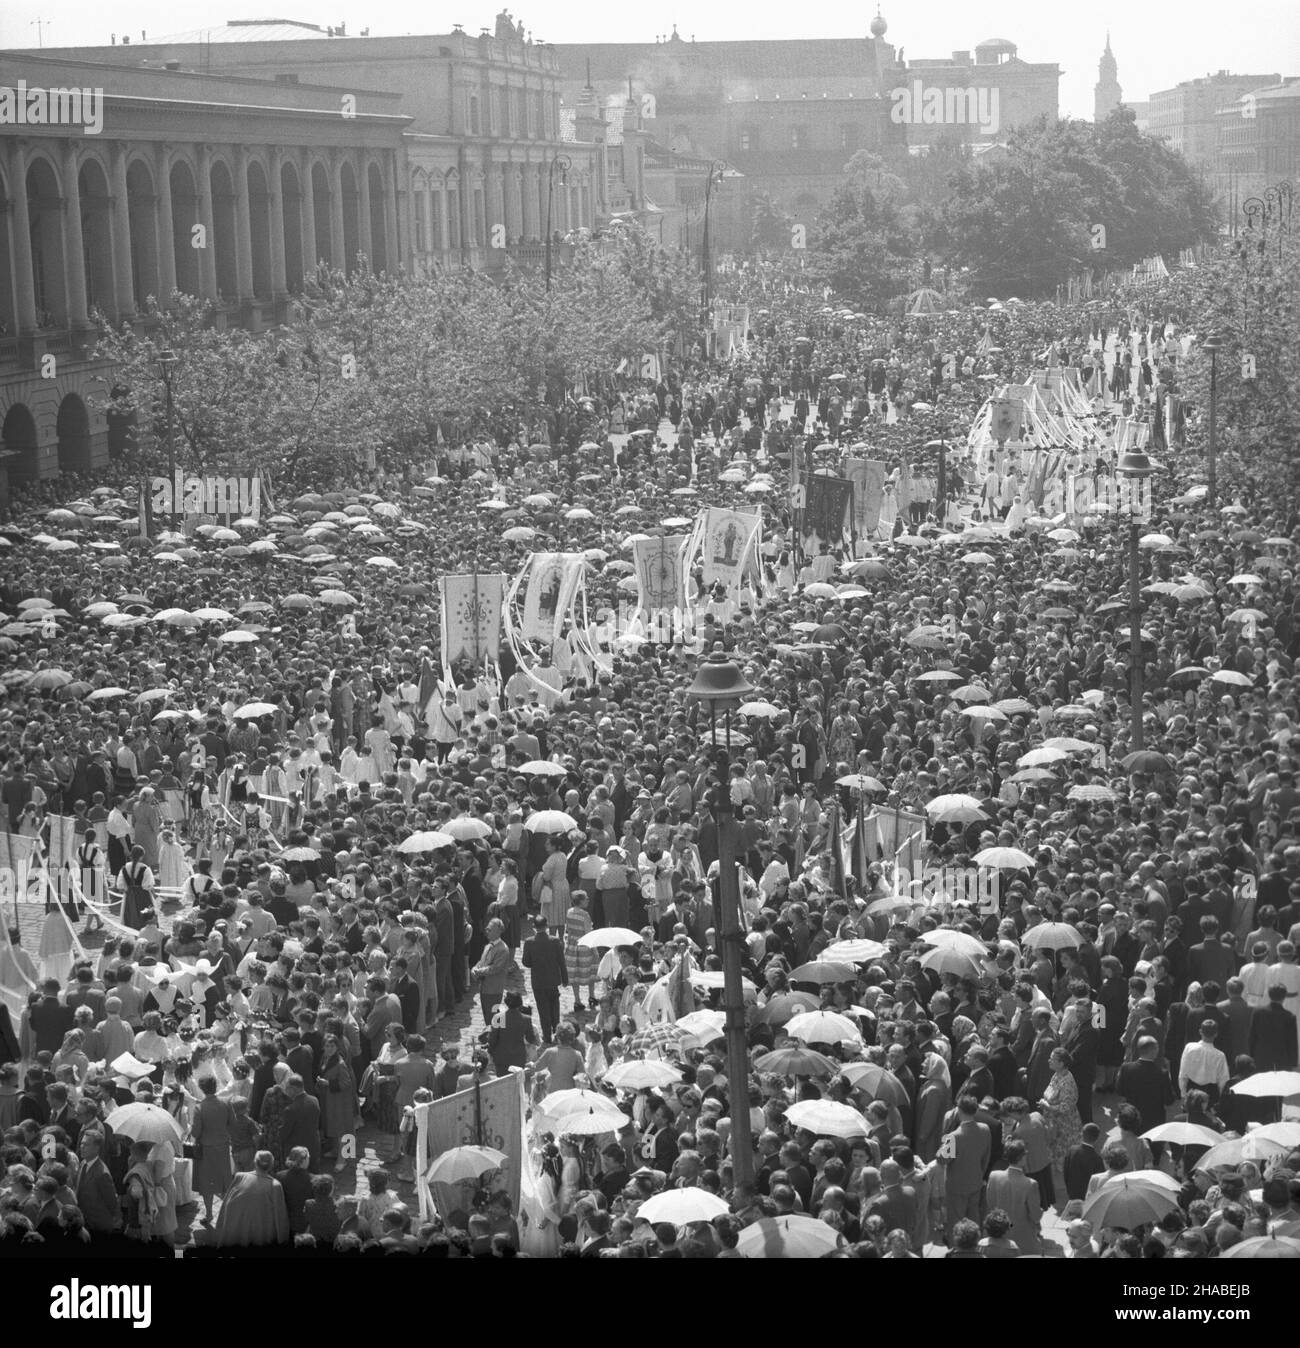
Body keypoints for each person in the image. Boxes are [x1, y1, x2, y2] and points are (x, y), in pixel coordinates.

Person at [216, 1150, 290, 1247]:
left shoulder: (240, 1177)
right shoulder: (275, 1185)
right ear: (271, 1165)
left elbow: (225, 1204)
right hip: (259, 1233)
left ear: (255, 1162)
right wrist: (283, 1239)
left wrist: (220, 1229)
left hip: (235, 1229)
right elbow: (280, 1215)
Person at [190, 1074, 235, 1225]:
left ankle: (209, 1214)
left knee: (207, 1183)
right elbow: (232, 1123)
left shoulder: (199, 1107)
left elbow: (196, 1132)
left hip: (206, 1149)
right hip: (222, 1146)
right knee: (224, 1181)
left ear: (202, 1088)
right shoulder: (226, 1103)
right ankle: (228, 1213)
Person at [522, 915, 569, 1043]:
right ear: (547, 926)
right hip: (553, 981)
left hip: (538, 982)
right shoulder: (554, 941)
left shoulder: (529, 942)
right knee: (555, 1007)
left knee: (543, 1010)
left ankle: (547, 1036)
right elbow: (561, 962)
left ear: (534, 927)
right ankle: (557, 1031)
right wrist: (565, 979)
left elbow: (526, 962)